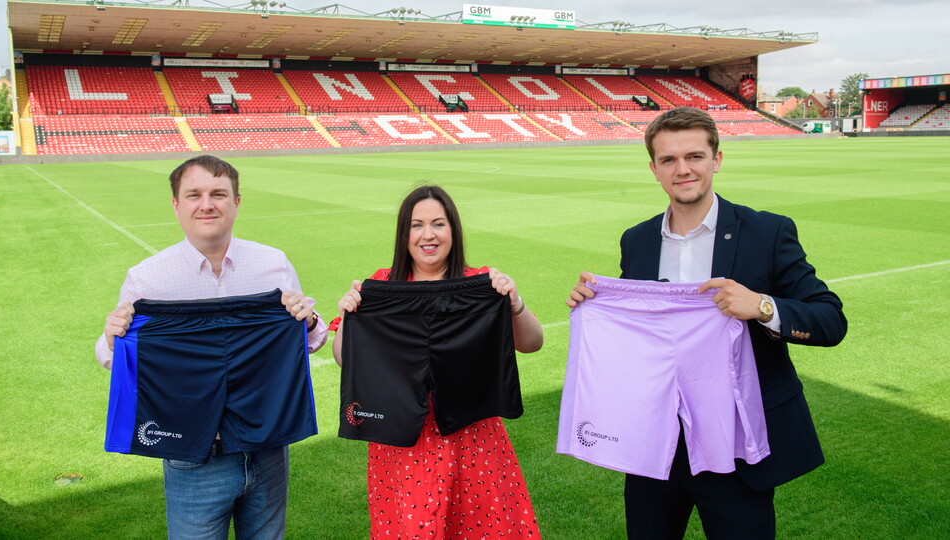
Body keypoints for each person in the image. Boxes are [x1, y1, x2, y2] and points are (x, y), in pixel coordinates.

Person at [566, 107, 847, 539]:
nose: (683, 169)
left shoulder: (766, 232)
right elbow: (638, 334)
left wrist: (762, 306)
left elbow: (830, 319)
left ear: (716, 159)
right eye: (669, 160)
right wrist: (596, 305)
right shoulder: (637, 240)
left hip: (736, 446)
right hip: (655, 443)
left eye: (694, 156)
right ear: (654, 169)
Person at [96, 155, 327, 539]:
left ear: (236, 202)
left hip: (268, 445)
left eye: (218, 194)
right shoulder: (148, 278)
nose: (207, 204)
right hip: (194, 456)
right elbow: (113, 356)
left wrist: (310, 320)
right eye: (194, 195)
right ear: (177, 205)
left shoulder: (273, 264)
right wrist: (112, 338)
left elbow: (307, 342)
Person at [331, 185, 543, 538]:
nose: (427, 235)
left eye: (438, 224)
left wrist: (514, 303)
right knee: (412, 528)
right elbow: (345, 359)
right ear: (404, 234)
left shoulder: (481, 283)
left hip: (472, 435)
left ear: (453, 230)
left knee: (481, 526)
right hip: (402, 440)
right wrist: (351, 318)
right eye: (417, 225)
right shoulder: (382, 284)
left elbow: (532, 343)